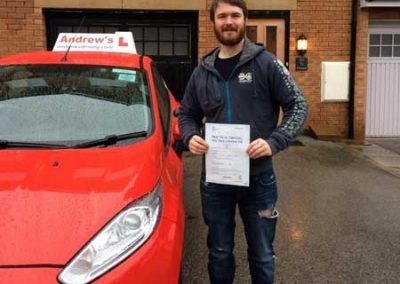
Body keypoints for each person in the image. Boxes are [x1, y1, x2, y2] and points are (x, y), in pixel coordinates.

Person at [178, 0, 308, 283]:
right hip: (216, 180)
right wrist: (190, 136)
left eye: (235, 15)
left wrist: (275, 141)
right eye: (222, 16)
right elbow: (186, 114)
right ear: (213, 22)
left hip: (259, 178)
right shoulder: (202, 71)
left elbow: (298, 105)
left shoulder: (267, 64)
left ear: (245, 20)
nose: (229, 21)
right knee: (220, 252)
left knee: (262, 254)